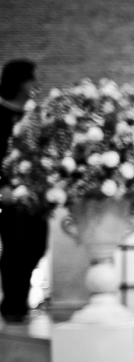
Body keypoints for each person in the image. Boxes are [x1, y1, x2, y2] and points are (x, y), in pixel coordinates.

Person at [0, 59, 46, 323]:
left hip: (35, 193)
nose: (35, 85)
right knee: (15, 247)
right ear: (18, 82)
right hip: (9, 193)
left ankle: (21, 300)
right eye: (31, 80)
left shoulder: (32, 115)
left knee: (36, 246)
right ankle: (13, 305)